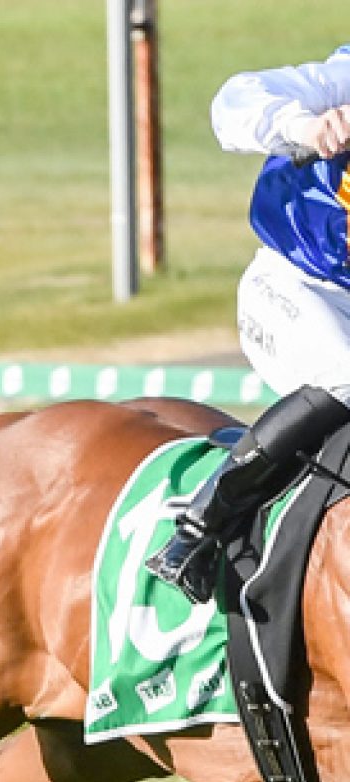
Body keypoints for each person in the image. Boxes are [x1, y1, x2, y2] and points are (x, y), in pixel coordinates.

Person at [148, 46, 350, 601]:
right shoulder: (343, 77)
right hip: (295, 289)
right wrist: (306, 127)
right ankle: (198, 529)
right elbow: (234, 103)